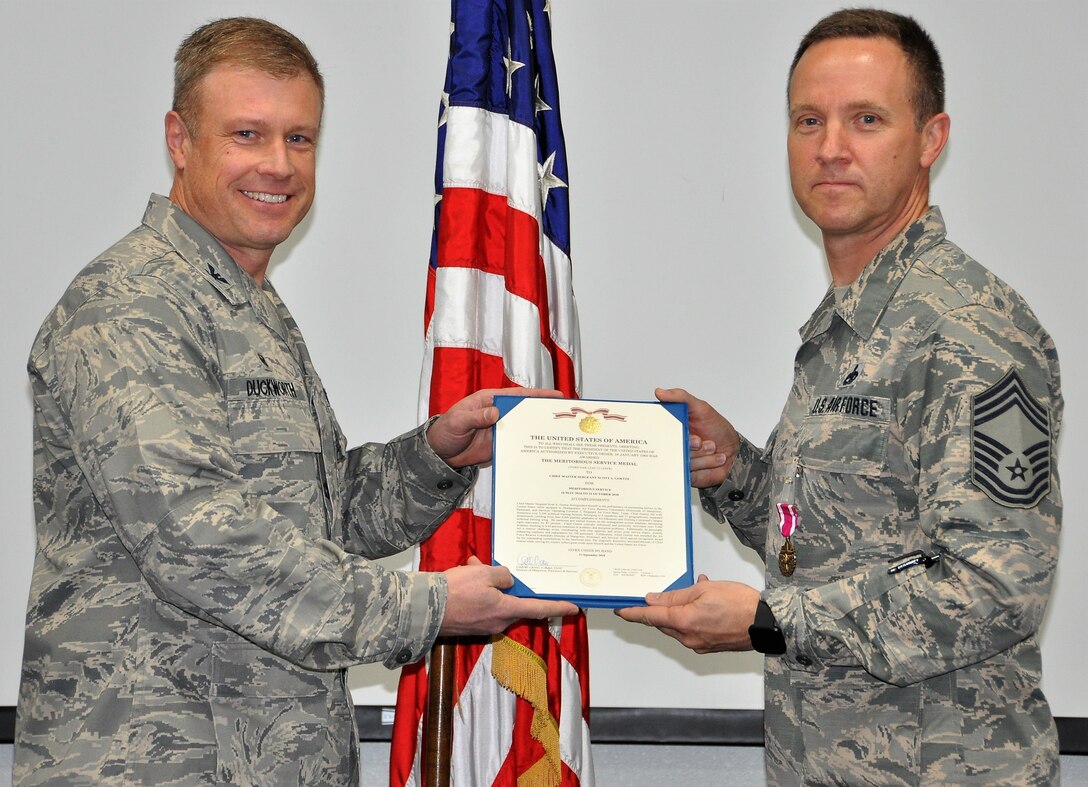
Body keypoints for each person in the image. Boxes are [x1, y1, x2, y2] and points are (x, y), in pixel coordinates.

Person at [14, 17, 576, 786]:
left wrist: (438, 454)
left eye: (300, 139)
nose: (278, 165)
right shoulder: (130, 305)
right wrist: (428, 607)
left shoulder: (251, 306)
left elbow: (320, 515)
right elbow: (202, 543)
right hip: (154, 763)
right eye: (247, 134)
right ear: (181, 139)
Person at [618, 9, 1062, 785]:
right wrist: (737, 475)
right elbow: (822, 547)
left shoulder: (973, 328)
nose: (830, 148)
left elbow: (994, 584)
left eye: (866, 120)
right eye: (808, 120)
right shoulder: (843, 329)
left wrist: (767, 619)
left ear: (930, 139)